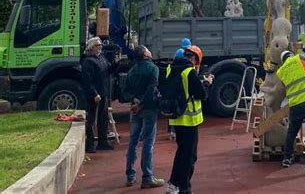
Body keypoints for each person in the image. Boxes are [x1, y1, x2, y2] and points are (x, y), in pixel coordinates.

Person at [167, 45, 214, 194]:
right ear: (194, 59)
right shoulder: (189, 72)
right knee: (189, 156)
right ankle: (184, 188)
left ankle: (173, 184)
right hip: (190, 120)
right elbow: (202, 94)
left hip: (176, 118)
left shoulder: (171, 69)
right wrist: (207, 83)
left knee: (181, 153)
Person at [123, 45, 164, 189]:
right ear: (145, 55)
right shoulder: (153, 69)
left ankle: (130, 175)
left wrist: (134, 101)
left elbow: (125, 91)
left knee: (133, 141)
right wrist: (141, 104)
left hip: (135, 109)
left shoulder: (132, 71)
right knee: (148, 142)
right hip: (149, 108)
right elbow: (152, 89)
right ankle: (147, 177)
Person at [81, 37, 114, 153]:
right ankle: (90, 144)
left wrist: (117, 62)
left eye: (100, 45)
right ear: (91, 47)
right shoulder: (88, 61)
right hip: (94, 94)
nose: (100, 47)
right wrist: (94, 93)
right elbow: (87, 80)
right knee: (91, 119)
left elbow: (110, 69)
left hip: (103, 92)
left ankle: (103, 142)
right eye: (98, 45)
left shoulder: (101, 58)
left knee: (103, 118)